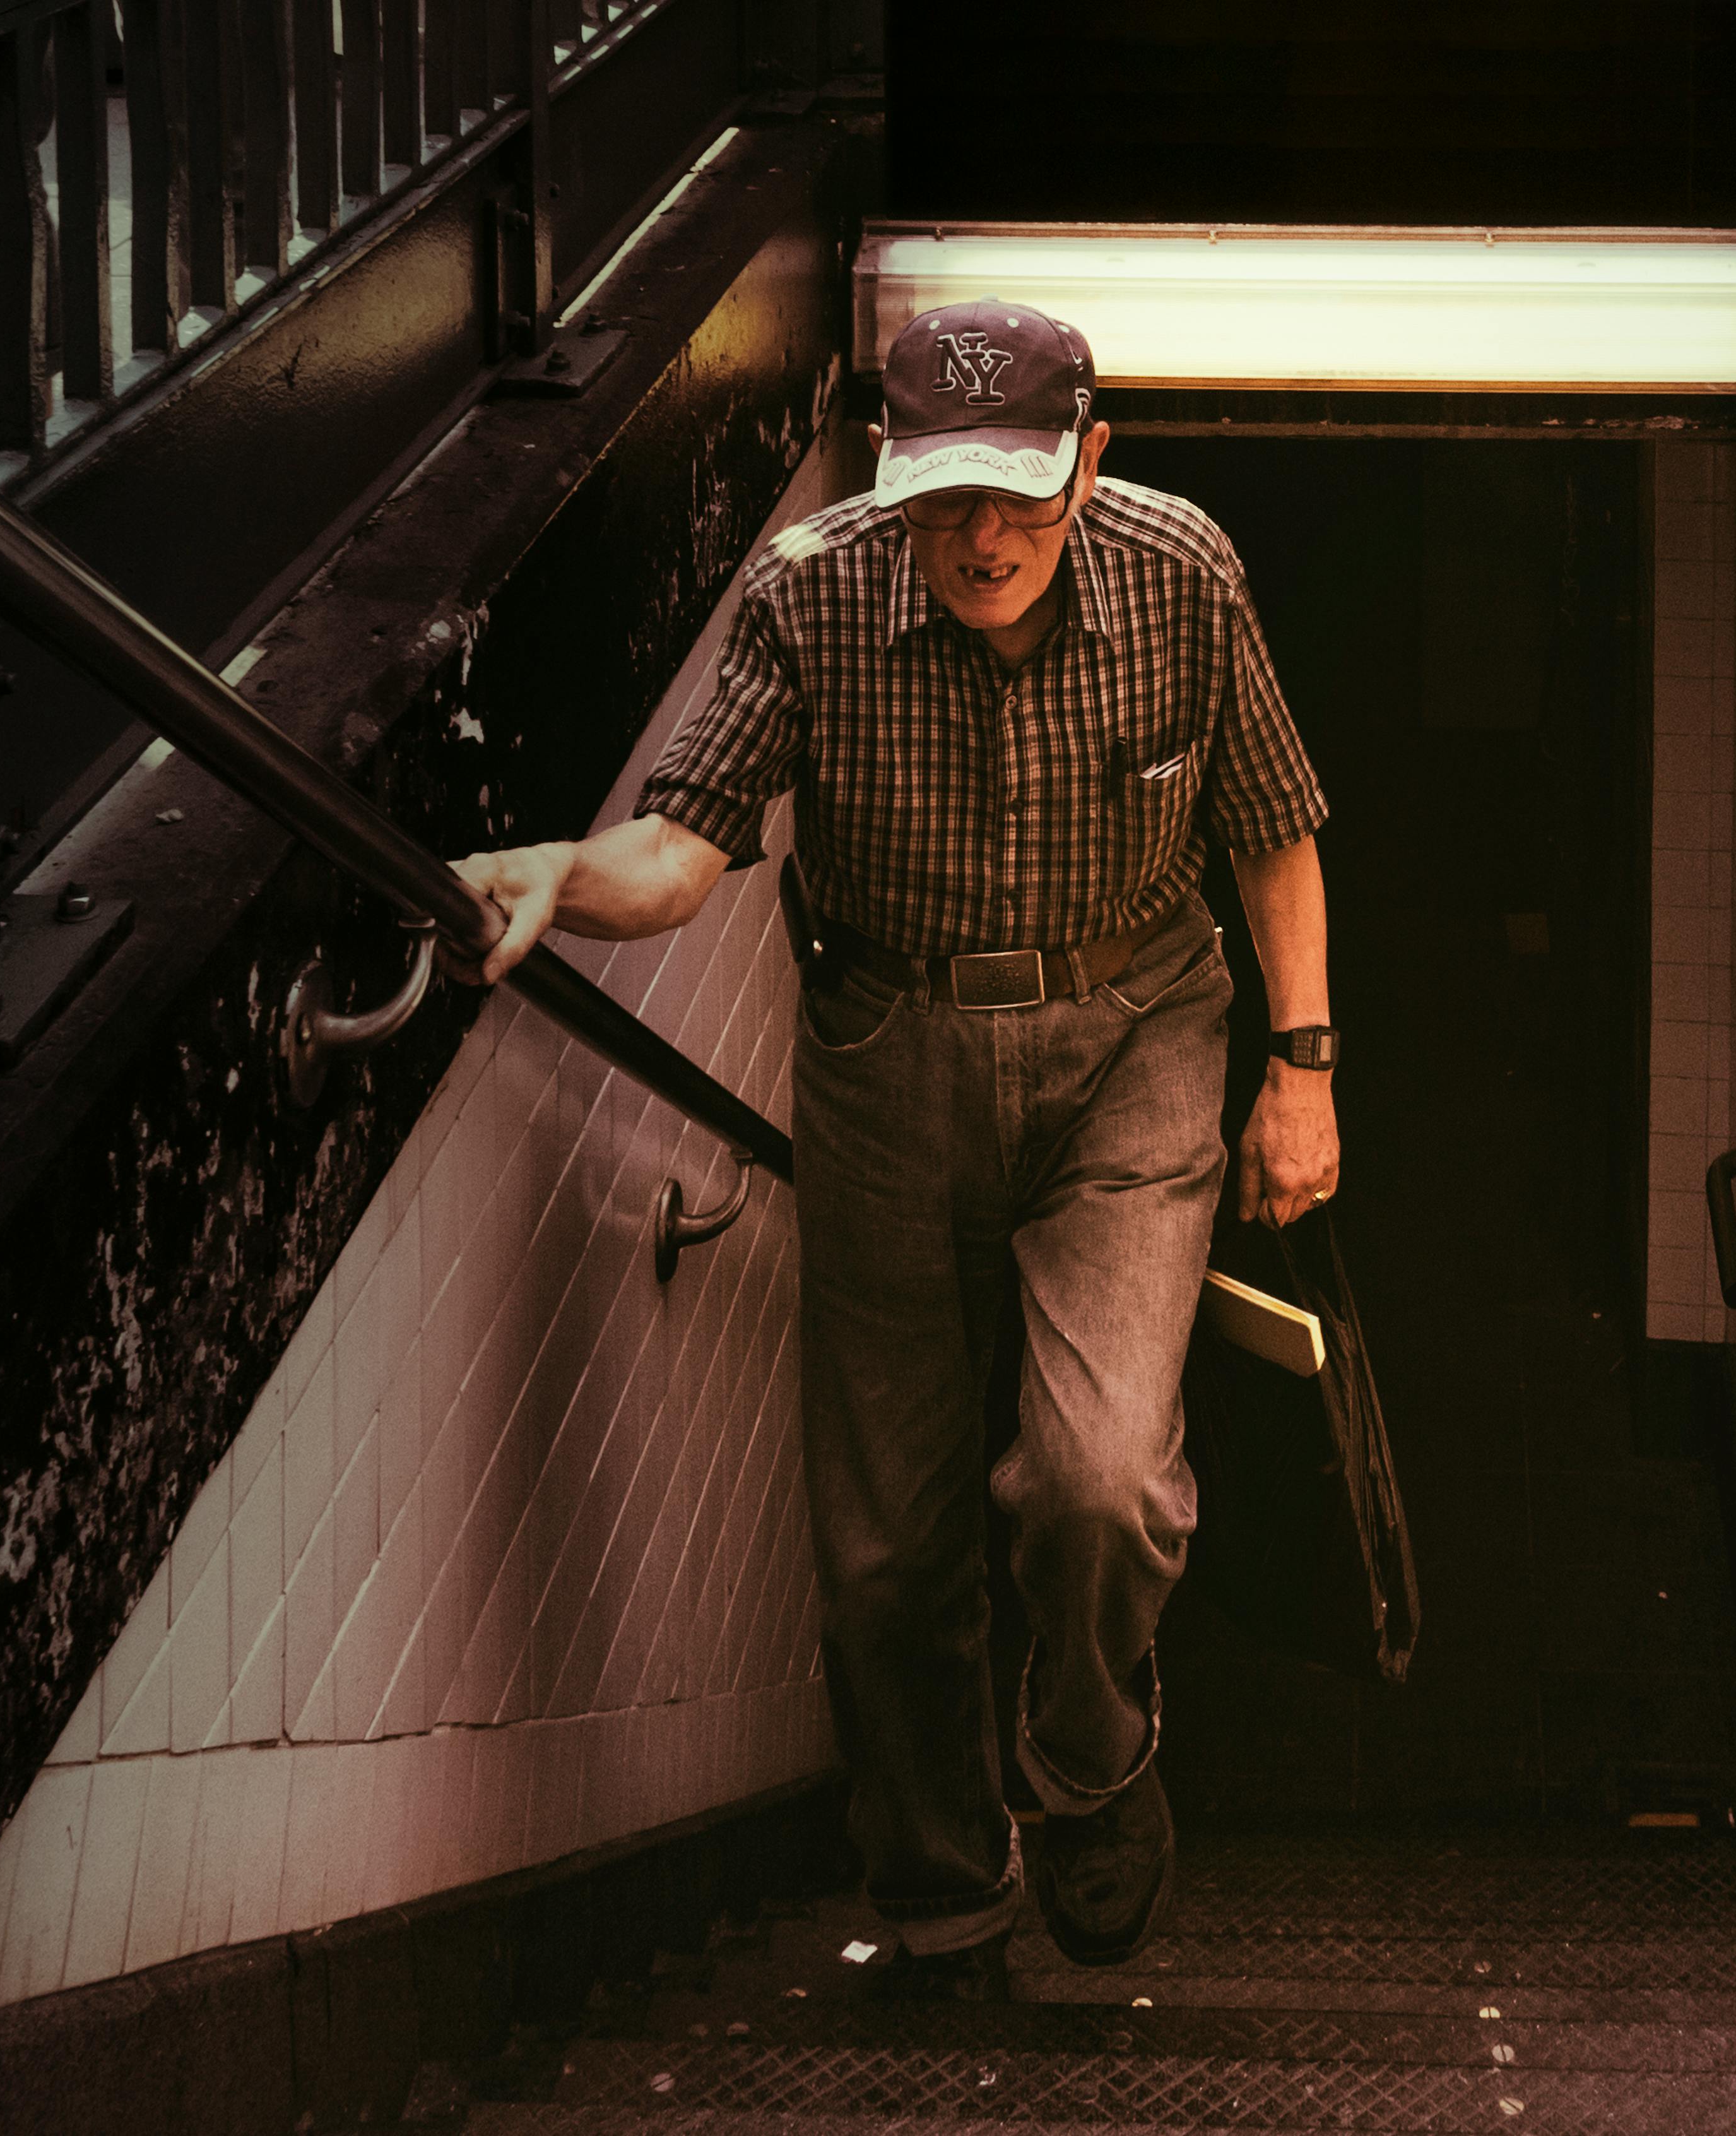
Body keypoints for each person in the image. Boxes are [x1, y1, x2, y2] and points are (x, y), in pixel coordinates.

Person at [449, 297, 1338, 1995]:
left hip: (1135, 1038)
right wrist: (562, 876)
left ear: (1092, 458)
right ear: (888, 468)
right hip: (884, 1052)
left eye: (1020, 493)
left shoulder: (1183, 575)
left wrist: (1303, 1068)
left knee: (1099, 1482)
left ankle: (1087, 1763)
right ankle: (940, 1880)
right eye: (945, 497)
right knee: (881, 1550)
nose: (983, 539)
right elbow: (684, 848)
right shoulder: (812, 592)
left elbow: (1275, 827)